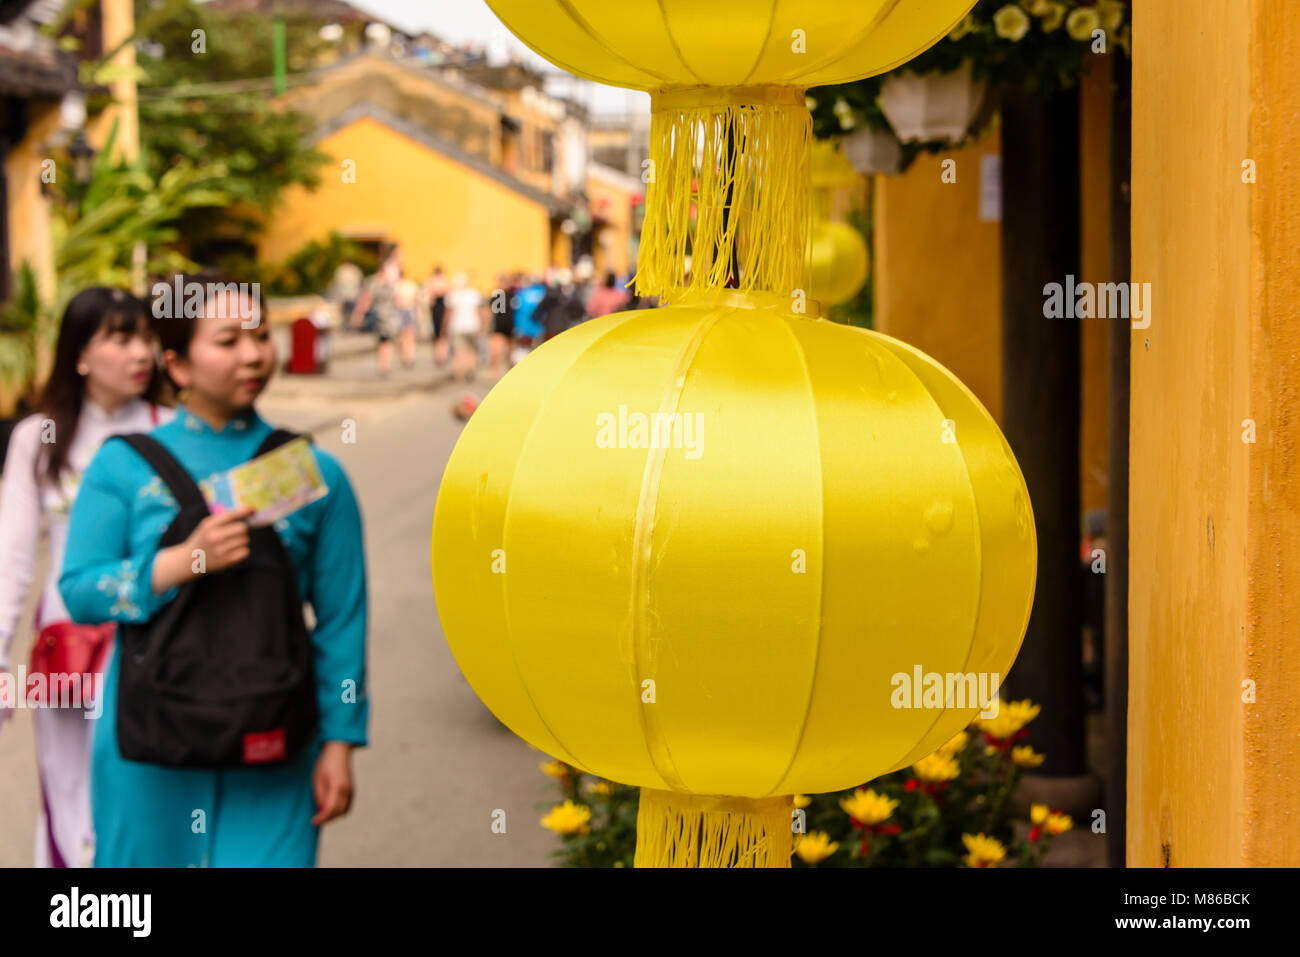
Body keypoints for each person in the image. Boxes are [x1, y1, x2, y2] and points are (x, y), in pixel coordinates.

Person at [59, 276, 369, 867]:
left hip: (275, 739)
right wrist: (181, 561)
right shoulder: (122, 467)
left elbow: (341, 619)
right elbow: (80, 592)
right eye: (228, 340)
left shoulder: (312, 472)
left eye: (260, 335)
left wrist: (340, 741)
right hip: (150, 742)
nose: (253, 354)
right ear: (175, 365)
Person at [0, 288, 172, 868]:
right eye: (120, 338)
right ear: (79, 353)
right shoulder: (38, 439)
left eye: (146, 337)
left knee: (150, 788)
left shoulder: (172, 430)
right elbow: (13, 560)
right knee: (69, 790)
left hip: (158, 645)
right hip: (67, 651)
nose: (140, 352)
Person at [350, 243, 402, 377]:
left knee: (382, 341)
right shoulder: (389, 283)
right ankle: (386, 365)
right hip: (387, 316)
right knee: (387, 341)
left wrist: (359, 316)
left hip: (379, 315)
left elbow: (365, 300)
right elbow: (397, 299)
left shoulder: (373, 282)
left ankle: (383, 364)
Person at [440, 272, 486, 382]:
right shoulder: (474, 294)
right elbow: (479, 311)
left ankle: (458, 374)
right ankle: (471, 370)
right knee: (473, 350)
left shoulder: (452, 295)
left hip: (457, 326)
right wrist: (483, 326)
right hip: (473, 325)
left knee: (458, 351)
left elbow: (448, 313)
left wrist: (443, 327)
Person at [487, 272, 516, 376]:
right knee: (496, 352)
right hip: (499, 326)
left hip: (510, 326)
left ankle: (510, 373)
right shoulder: (497, 294)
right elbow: (491, 311)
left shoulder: (512, 294)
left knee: (510, 353)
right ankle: (494, 373)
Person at [424, 266, 449, 365]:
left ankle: (442, 354)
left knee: (442, 333)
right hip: (435, 309)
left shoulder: (444, 281)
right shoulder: (432, 281)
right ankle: (438, 355)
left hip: (442, 308)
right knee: (437, 334)